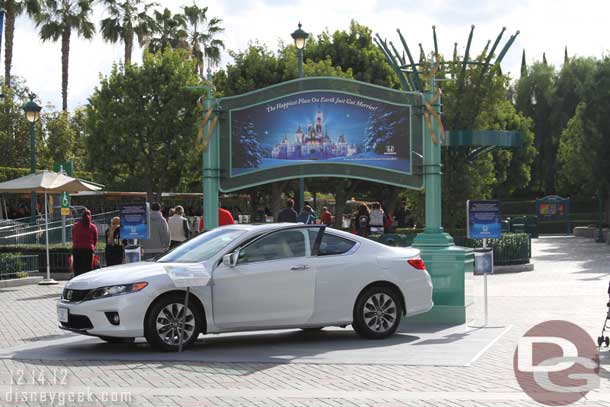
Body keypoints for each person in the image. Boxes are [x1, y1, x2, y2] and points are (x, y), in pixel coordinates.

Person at [71, 209, 98, 276]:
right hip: (88, 249)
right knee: (88, 268)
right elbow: (95, 239)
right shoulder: (93, 227)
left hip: (77, 249)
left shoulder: (75, 226)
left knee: (77, 267)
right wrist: (92, 246)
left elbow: (73, 236)